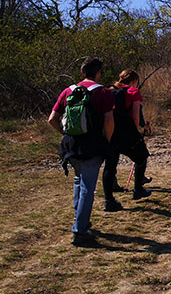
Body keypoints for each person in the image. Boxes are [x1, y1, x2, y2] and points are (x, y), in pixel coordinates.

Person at [48, 56, 115, 246]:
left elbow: (52, 118)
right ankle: (80, 231)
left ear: (82, 72)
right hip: (92, 144)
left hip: (70, 144)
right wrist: (106, 142)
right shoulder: (103, 92)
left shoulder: (69, 91)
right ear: (99, 73)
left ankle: (80, 219)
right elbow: (109, 120)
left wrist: (66, 133)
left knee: (79, 180)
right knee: (88, 187)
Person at [103, 70, 152, 211]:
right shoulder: (133, 92)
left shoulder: (108, 90)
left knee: (110, 165)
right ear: (134, 81)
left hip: (110, 131)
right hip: (127, 131)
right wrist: (136, 132)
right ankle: (138, 189)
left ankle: (109, 200)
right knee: (142, 156)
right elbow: (136, 115)